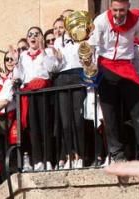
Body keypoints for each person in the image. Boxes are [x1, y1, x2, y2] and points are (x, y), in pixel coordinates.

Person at [91, 0, 139, 162]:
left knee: (138, 111)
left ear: (128, 7)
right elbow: (93, 45)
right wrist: (90, 66)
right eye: (115, 10)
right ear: (110, 7)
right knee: (110, 115)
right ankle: (117, 154)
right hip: (105, 66)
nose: (118, 14)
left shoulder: (137, 22)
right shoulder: (101, 21)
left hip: (126, 67)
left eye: (122, 11)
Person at [11, 27, 62, 171]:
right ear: (27, 39)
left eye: (36, 34)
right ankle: (38, 160)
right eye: (30, 35)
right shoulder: (23, 56)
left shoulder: (48, 52)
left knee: (46, 126)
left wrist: (43, 52)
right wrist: (16, 62)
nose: (33, 37)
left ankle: (48, 159)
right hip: (29, 93)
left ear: (40, 37)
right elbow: (19, 76)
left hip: (43, 91)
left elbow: (52, 68)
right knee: (33, 127)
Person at [52, 12, 88, 168]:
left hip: (78, 76)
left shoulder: (82, 37)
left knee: (78, 120)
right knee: (66, 122)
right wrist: (56, 58)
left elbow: (85, 59)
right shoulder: (58, 42)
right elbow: (54, 67)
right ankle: (69, 155)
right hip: (62, 79)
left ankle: (81, 155)